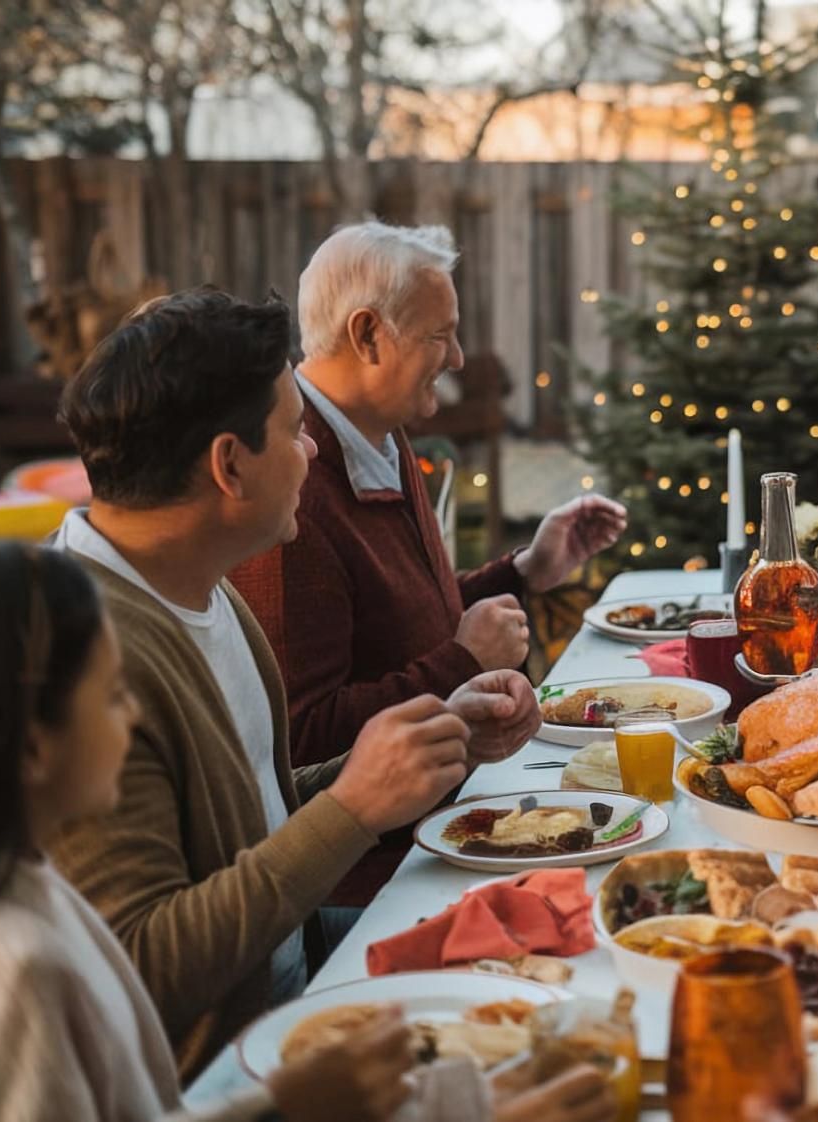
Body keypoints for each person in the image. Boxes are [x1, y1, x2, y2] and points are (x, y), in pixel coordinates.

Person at [48, 286, 542, 1077]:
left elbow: (258, 813)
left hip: (295, 999)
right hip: (211, 1080)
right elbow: (140, 965)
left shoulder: (204, 589)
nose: (312, 451)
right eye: (293, 432)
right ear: (230, 465)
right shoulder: (78, 654)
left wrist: (432, 743)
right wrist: (352, 808)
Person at [0, 544, 397, 1121]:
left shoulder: (1, 878)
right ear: (32, 746)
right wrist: (287, 1109)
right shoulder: (10, 972)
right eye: (113, 694)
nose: (131, 716)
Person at [231, 223, 626, 905]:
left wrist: (525, 571)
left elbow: (404, 626)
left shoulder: (379, 439)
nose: (461, 357)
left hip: (442, 821)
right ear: (367, 335)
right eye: (439, 337)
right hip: (377, 886)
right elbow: (298, 740)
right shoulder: (293, 492)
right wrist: (460, 666)